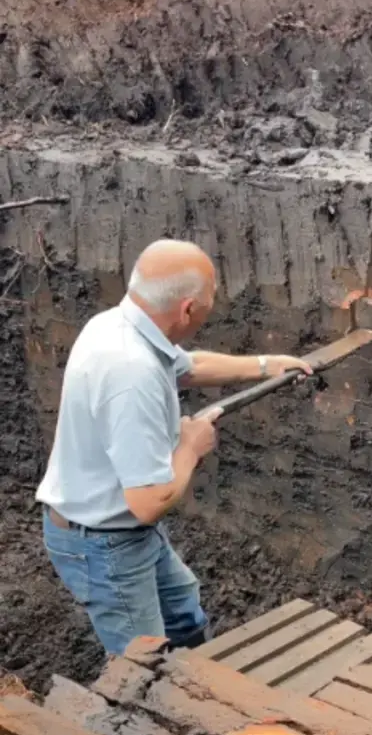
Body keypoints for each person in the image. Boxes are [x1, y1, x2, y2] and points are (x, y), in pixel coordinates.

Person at [36, 239, 312, 656]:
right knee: (145, 668)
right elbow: (148, 501)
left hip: (122, 529)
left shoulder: (119, 325)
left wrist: (266, 365)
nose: (212, 305)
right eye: (211, 298)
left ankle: (194, 675)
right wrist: (190, 448)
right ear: (187, 309)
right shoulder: (131, 373)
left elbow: (190, 366)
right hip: (104, 543)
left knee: (184, 615)